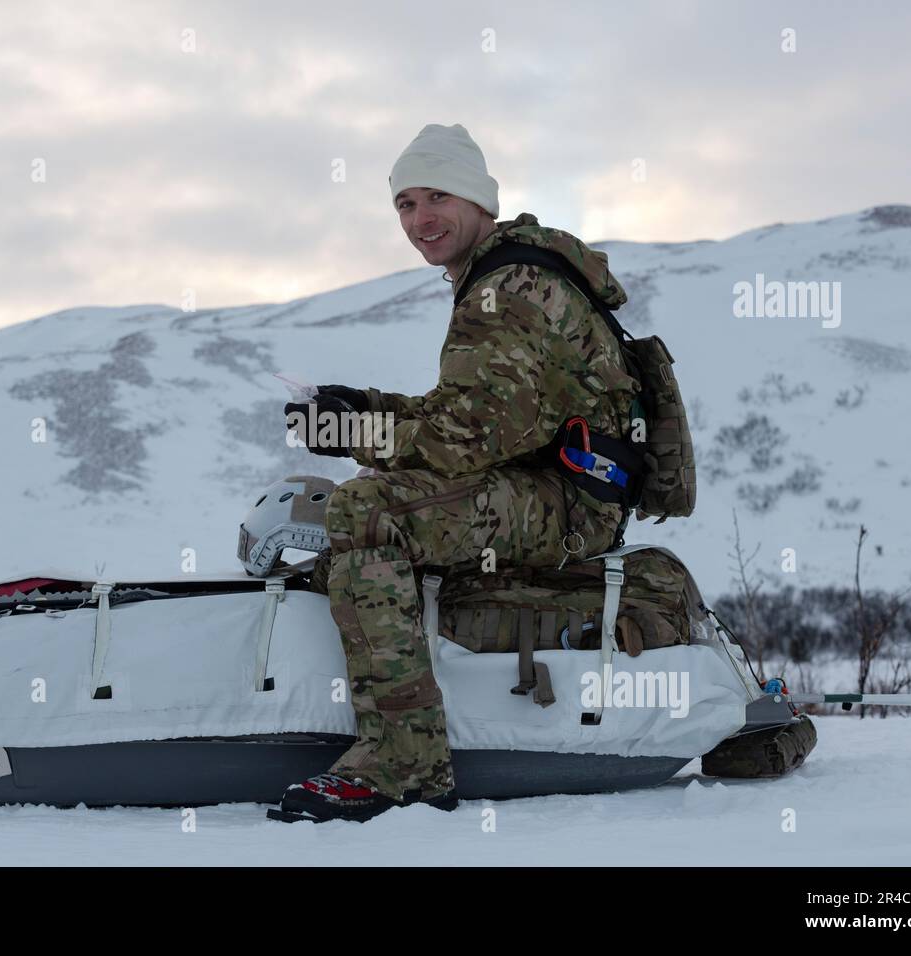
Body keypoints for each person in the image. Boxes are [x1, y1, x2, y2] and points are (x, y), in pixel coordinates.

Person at [268, 123, 641, 823]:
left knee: (366, 512)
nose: (420, 219)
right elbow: (471, 415)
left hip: (569, 500)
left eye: (437, 196)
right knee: (368, 514)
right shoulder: (502, 275)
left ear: (478, 200)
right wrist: (361, 407)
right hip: (546, 482)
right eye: (404, 204)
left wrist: (352, 432)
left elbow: (465, 440)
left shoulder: (511, 288)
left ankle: (405, 762)